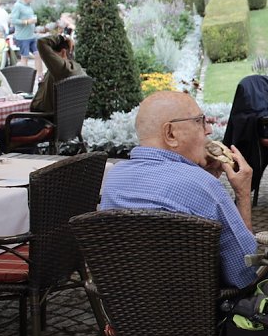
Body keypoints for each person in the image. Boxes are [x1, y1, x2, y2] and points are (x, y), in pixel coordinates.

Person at [100, 91, 257, 289]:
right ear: (170, 134)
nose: (208, 129)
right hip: (203, 312)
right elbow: (247, 270)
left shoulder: (114, 179)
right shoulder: (204, 187)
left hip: (129, 309)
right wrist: (243, 194)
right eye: (200, 121)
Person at [0, 33, 80, 149]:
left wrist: (61, 38)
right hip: (60, 124)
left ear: (62, 52)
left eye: (51, 55)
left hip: (44, 125)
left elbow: (41, 42)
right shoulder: (76, 69)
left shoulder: (60, 70)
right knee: (12, 127)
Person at [9, 0, 42, 80]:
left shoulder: (28, 6)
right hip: (22, 37)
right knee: (25, 57)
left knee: (38, 54)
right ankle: (25, 79)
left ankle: (40, 76)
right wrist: (27, 22)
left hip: (32, 36)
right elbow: (13, 20)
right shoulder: (18, 6)